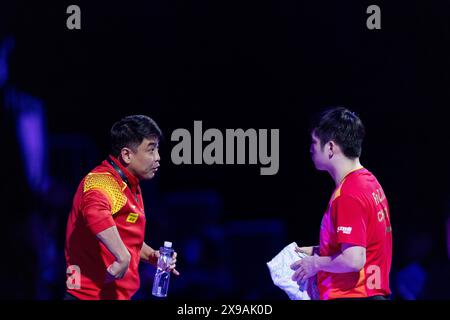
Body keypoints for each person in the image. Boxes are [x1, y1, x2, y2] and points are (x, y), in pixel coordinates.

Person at [64, 115, 179, 300]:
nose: (158, 157)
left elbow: (121, 235)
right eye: (151, 150)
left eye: (157, 149)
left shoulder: (130, 184)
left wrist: (152, 256)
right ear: (127, 154)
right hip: (87, 296)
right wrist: (122, 257)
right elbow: (95, 213)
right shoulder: (102, 182)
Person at [291, 107, 392, 300]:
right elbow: (363, 246)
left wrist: (315, 263)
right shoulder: (369, 182)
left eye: (314, 142)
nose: (310, 149)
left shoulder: (348, 194)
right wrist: (317, 251)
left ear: (330, 147)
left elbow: (354, 260)